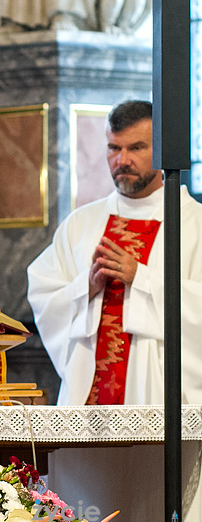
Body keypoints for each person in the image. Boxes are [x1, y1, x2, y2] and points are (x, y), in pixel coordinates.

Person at [27, 100, 202, 405]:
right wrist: (87, 288)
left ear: (162, 150)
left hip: (157, 399)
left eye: (137, 148)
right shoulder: (81, 224)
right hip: (89, 402)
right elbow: (45, 297)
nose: (122, 160)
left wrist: (141, 278)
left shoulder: (193, 223)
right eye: (113, 148)